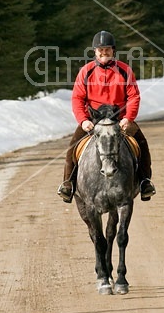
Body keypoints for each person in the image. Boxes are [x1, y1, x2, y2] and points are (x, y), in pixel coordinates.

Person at [58, 30, 156, 203]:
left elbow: (133, 96)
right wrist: (83, 120)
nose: (104, 53)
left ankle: (144, 182)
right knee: (72, 147)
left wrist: (128, 118)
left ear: (113, 50)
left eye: (107, 49)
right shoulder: (86, 71)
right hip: (93, 119)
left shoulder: (125, 70)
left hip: (120, 119)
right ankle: (68, 184)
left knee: (142, 143)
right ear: (95, 51)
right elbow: (77, 98)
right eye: (100, 50)